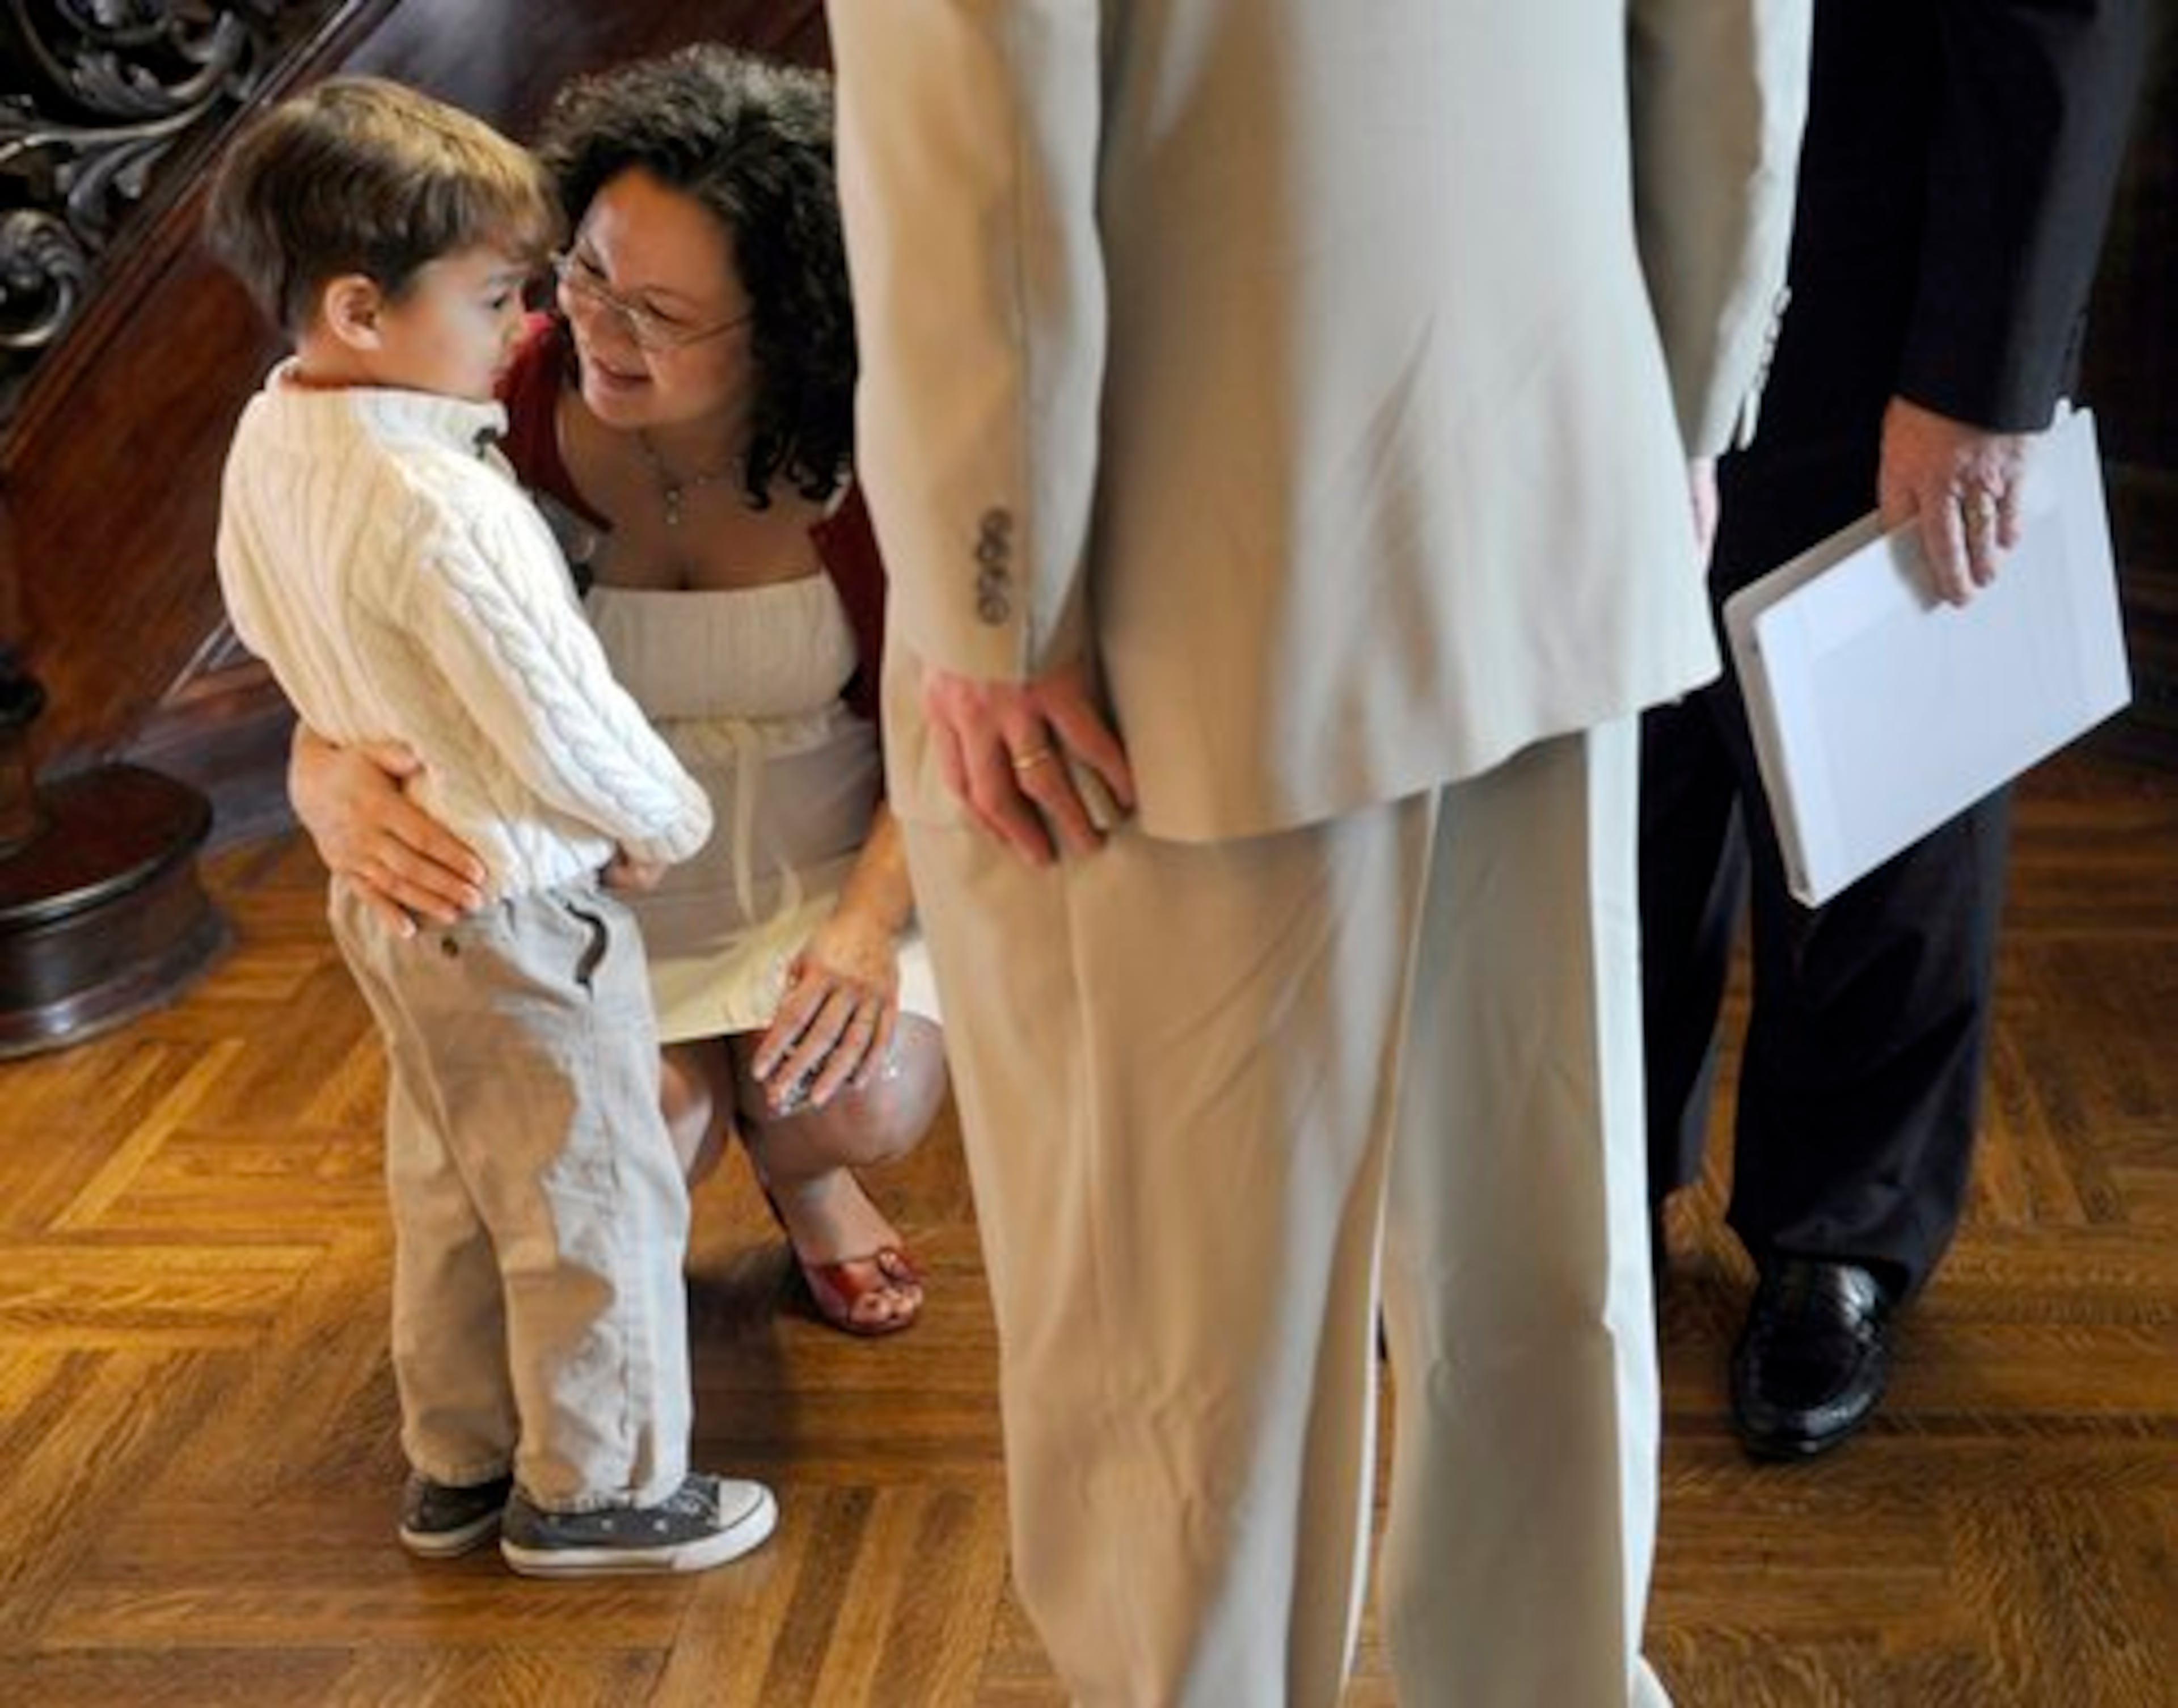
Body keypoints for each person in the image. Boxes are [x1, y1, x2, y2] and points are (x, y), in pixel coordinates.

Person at [826, 2, 1810, 1702]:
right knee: (1539, 1228)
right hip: (1551, 440)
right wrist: (1685, 389)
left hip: (1175, 538)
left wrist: (1000, 584)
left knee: (1177, 1321)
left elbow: (976, 84)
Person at [205, 77, 776, 1575]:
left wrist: (340, 716)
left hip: (390, 898)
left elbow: (258, 615)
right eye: (498, 295)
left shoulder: (276, 431)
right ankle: (602, 1488)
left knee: (452, 1178)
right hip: (518, 898)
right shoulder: (440, 495)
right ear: (360, 307)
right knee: (589, 1186)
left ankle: (456, 1459)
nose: (529, 326)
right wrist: (663, 816)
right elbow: (557, 709)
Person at [288, 45, 948, 1336]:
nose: (594, 322)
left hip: (833, 868)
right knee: (637, 1134)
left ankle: (806, 1173)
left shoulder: (878, 449)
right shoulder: (498, 395)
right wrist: (324, 771)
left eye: (663, 312)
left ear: (790, 321)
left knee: (854, 1100)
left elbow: (943, 713)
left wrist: (868, 927)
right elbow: (333, 600)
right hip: (593, 884)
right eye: (586, 269)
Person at [1641, 0, 2150, 1460]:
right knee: (1617, 746)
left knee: (1886, 771)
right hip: (1604, 217)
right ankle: (1596, 1162)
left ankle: (1839, 1229)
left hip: (1888, 233)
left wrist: (1981, 368)